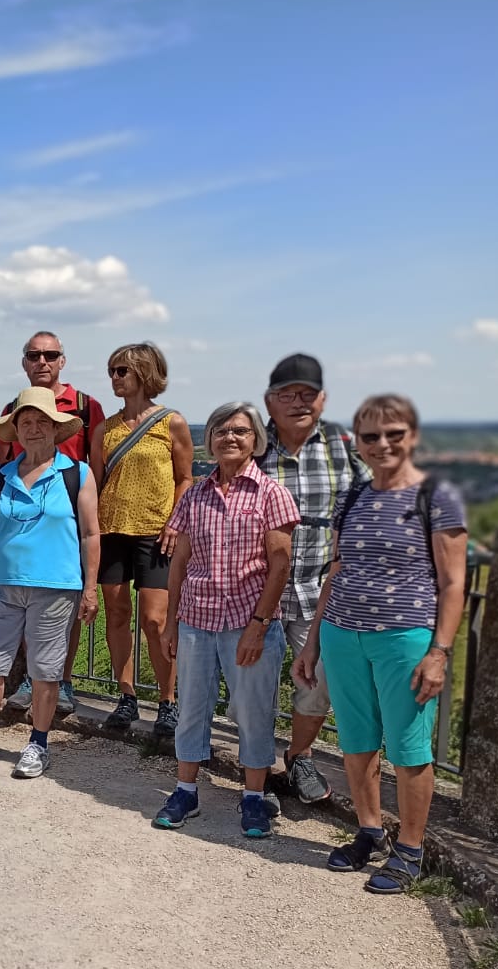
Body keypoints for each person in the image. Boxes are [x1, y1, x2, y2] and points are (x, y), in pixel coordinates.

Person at [292, 395, 466, 894]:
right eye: (371, 436)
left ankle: (410, 850)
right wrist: (313, 644)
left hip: (405, 638)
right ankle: (369, 830)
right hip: (344, 633)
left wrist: (439, 652)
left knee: (409, 749)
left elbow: (453, 583)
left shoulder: (437, 497)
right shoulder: (354, 497)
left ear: (412, 437)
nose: (383, 444)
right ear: (360, 444)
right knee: (357, 741)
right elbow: (338, 571)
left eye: (395, 434)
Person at [154, 402, 299, 839]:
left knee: (254, 714)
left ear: (256, 440)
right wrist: (172, 622)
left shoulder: (271, 493)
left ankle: (253, 798)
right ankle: (185, 790)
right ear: (209, 440)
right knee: (191, 710)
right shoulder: (195, 495)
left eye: (239, 431)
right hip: (197, 621)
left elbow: (281, 565)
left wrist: (259, 624)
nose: (229, 438)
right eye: (220, 431)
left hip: (246, 624)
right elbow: (179, 561)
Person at [0, 389, 100, 777]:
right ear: (15, 430)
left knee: (46, 670)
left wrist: (90, 587)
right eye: (25, 422)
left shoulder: (76, 473)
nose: (33, 429)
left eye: (41, 422)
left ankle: (38, 744)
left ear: (55, 428)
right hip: (5, 584)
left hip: (56, 586)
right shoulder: (4, 473)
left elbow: (90, 534)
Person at [256, 353, 369, 805]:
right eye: (288, 394)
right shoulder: (253, 444)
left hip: (318, 590)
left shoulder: (342, 446)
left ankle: (298, 755)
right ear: (270, 400)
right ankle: (257, 766)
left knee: (318, 683)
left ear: (322, 399)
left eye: (307, 393)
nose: (298, 402)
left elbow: (370, 505)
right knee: (255, 683)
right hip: (258, 589)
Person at [0, 331, 107, 718]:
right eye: (34, 355)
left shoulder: (86, 406)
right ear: (24, 362)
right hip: (27, 522)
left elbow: (97, 463)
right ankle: (34, 679)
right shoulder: (14, 406)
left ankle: (62, 679)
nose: (42, 361)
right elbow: (5, 466)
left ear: (62, 360)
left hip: (68, 517)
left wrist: (87, 517)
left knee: (68, 603)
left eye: (50, 355)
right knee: (28, 606)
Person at [90, 342, 193, 740]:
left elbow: (185, 478)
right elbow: (96, 482)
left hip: (156, 532)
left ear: (144, 373)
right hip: (112, 529)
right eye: (112, 370)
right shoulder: (106, 428)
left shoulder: (172, 423)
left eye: (121, 371)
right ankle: (127, 694)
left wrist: (175, 521)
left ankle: (167, 701)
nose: (114, 378)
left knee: (155, 620)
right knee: (116, 615)